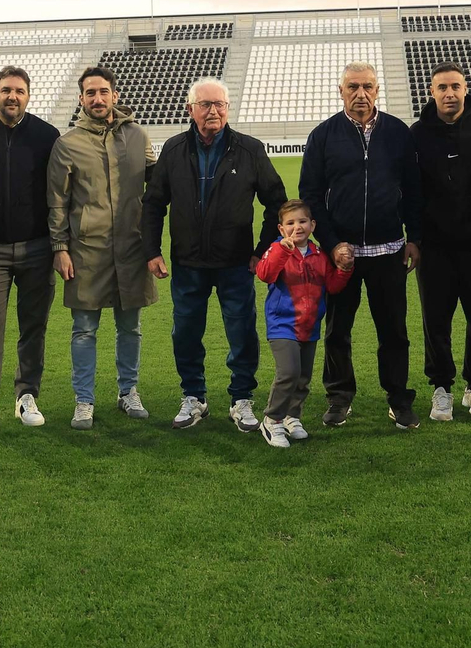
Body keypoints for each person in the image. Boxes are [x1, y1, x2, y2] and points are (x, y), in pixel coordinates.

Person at [143, 77, 287, 433]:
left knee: (242, 333)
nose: (213, 111)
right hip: (188, 263)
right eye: (205, 104)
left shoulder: (250, 150)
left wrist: (261, 251)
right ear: (190, 109)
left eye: (219, 104)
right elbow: (153, 203)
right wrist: (151, 250)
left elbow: (277, 205)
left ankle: (242, 399)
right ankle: (194, 396)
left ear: (228, 108)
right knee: (185, 333)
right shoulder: (174, 150)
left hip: (237, 264)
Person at [298, 61, 423, 429]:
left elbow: (414, 190)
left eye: (368, 86)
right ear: (341, 91)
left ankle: (398, 398)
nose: (361, 94)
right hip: (341, 256)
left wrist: (413, 237)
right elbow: (311, 196)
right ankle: (339, 396)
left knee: (394, 331)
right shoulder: (323, 136)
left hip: (389, 252)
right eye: (353, 87)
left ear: (378, 90)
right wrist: (333, 243)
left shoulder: (398, 133)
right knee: (338, 329)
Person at [47, 65, 158, 429]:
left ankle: (128, 392)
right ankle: (84, 400)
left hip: (131, 247)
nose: (98, 98)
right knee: (84, 329)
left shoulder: (139, 137)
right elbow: (57, 202)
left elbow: (157, 191)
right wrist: (60, 247)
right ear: (81, 99)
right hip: (85, 251)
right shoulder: (67, 144)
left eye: (103, 91)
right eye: (90, 93)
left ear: (115, 95)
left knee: (131, 327)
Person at [0, 65, 61, 436]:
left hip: (38, 247)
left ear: (28, 95)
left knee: (33, 326)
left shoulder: (46, 136)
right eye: (6, 90)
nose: (12, 96)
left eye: (19, 91)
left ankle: (26, 396)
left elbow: (58, 193)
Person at [408, 62, 471, 422]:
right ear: (431, 92)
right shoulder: (417, 134)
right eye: (442, 88)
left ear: (466, 89)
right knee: (436, 320)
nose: (449, 93)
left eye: (455, 86)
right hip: (435, 247)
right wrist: (415, 238)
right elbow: (412, 190)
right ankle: (441, 388)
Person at [254, 200, 352, 447]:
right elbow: (264, 273)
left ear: (312, 225)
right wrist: (282, 250)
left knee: (303, 378)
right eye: (290, 223)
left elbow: (332, 286)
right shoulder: (277, 249)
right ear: (281, 228)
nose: (297, 227)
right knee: (288, 372)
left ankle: (292, 416)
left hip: (309, 326)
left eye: (302, 221)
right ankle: (272, 419)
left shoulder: (319, 255)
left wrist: (343, 269)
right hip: (282, 325)